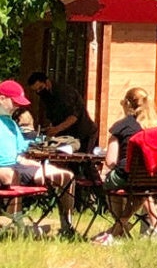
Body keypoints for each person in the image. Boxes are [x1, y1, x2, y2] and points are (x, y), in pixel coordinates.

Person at [0, 78, 75, 236]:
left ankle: (67, 227)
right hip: (6, 168)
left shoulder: (11, 123)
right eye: (15, 102)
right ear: (2, 99)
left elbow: (22, 149)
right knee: (12, 174)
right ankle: (16, 227)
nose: (18, 106)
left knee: (66, 176)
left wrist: (44, 147)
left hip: (17, 163)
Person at [96, 86, 157, 243]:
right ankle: (125, 228)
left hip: (130, 176)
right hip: (156, 179)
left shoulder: (123, 126)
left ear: (127, 104)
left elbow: (110, 161)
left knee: (109, 181)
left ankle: (119, 227)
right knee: (141, 188)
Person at [28, 72, 97, 154]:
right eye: (36, 91)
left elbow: (74, 116)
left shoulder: (64, 93)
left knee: (84, 162)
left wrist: (57, 129)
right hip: (67, 135)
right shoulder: (46, 97)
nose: (39, 92)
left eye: (40, 88)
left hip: (83, 134)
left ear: (47, 82)